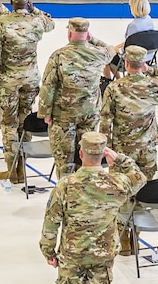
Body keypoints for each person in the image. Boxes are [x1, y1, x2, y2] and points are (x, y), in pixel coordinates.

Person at [39, 131, 144, 284]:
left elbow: (51, 223)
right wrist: (119, 159)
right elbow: (140, 178)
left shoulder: (65, 185)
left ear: (81, 154)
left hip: (73, 255)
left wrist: (49, 252)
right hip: (103, 255)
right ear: (104, 154)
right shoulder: (117, 183)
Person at [0, 0, 54, 180]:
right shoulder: (36, 21)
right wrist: (34, 10)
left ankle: (12, 170)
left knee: (9, 124)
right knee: (25, 121)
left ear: (11, 2)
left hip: (9, 80)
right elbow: (50, 24)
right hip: (30, 78)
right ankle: (22, 168)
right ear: (27, 2)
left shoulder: (1, 23)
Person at [39, 17, 113, 177]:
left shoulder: (58, 56)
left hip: (63, 115)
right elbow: (110, 49)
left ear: (69, 33)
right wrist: (92, 39)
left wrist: (45, 113)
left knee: (64, 160)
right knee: (87, 156)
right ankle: (84, 191)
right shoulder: (100, 54)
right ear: (87, 34)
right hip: (90, 114)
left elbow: (48, 86)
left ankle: (66, 193)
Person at [99, 45, 158, 179]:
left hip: (122, 149)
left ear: (126, 63)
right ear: (143, 64)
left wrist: (106, 148)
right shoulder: (155, 85)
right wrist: (150, 69)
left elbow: (106, 120)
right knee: (145, 186)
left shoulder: (114, 88)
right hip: (147, 148)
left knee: (121, 186)